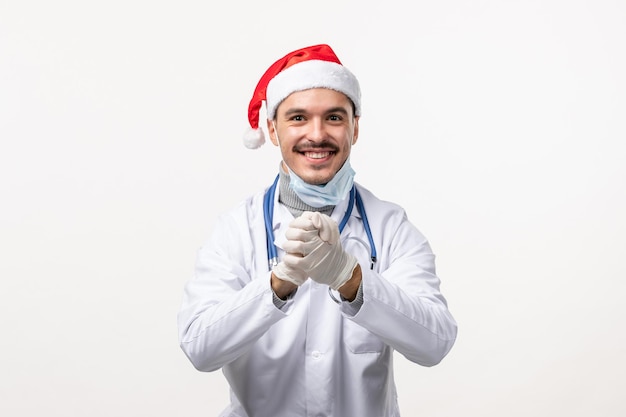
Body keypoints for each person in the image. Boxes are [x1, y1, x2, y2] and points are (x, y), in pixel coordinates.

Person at [177, 44, 457, 417]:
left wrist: (350, 278)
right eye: (298, 118)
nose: (317, 134)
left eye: (334, 118)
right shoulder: (235, 230)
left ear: (354, 128)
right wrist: (278, 284)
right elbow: (200, 348)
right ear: (273, 130)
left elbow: (434, 342)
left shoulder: (389, 227)